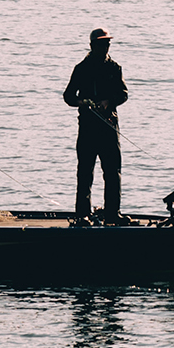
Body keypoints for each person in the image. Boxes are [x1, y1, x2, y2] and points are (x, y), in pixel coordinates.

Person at [63, 27, 129, 224]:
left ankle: (112, 214)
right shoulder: (81, 68)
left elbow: (123, 94)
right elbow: (68, 97)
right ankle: (82, 214)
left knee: (112, 172)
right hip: (88, 129)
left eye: (107, 43)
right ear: (92, 45)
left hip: (109, 127)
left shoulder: (115, 68)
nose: (105, 46)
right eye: (102, 43)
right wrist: (82, 103)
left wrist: (109, 102)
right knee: (85, 172)